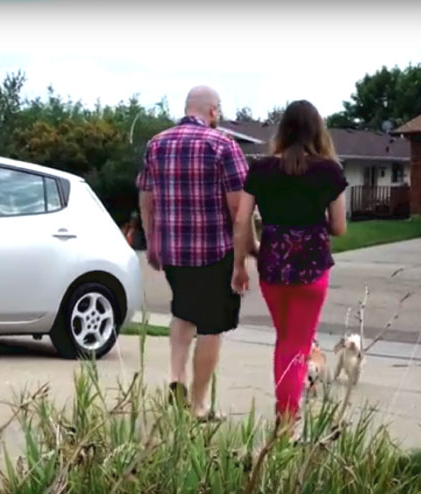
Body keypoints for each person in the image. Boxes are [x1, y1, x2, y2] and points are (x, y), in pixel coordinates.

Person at [137, 86, 255, 419]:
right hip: (213, 252)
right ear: (213, 111)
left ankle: (176, 377)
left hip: (173, 251)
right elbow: (240, 210)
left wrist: (153, 241)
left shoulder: (157, 144)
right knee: (211, 324)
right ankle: (199, 404)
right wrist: (242, 260)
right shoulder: (223, 145)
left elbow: (146, 199)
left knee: (184, 310)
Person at [231, 100, 348, 432]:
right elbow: (338, 227)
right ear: (317, 130)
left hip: (273, 268)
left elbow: (242, 220)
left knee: (287, 341)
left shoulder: (262, 169)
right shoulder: (329, 171)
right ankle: (286, 420)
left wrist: (243, 260)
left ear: (283, 130)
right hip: (312, 270)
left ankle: (287, 413)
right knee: (296, 344)